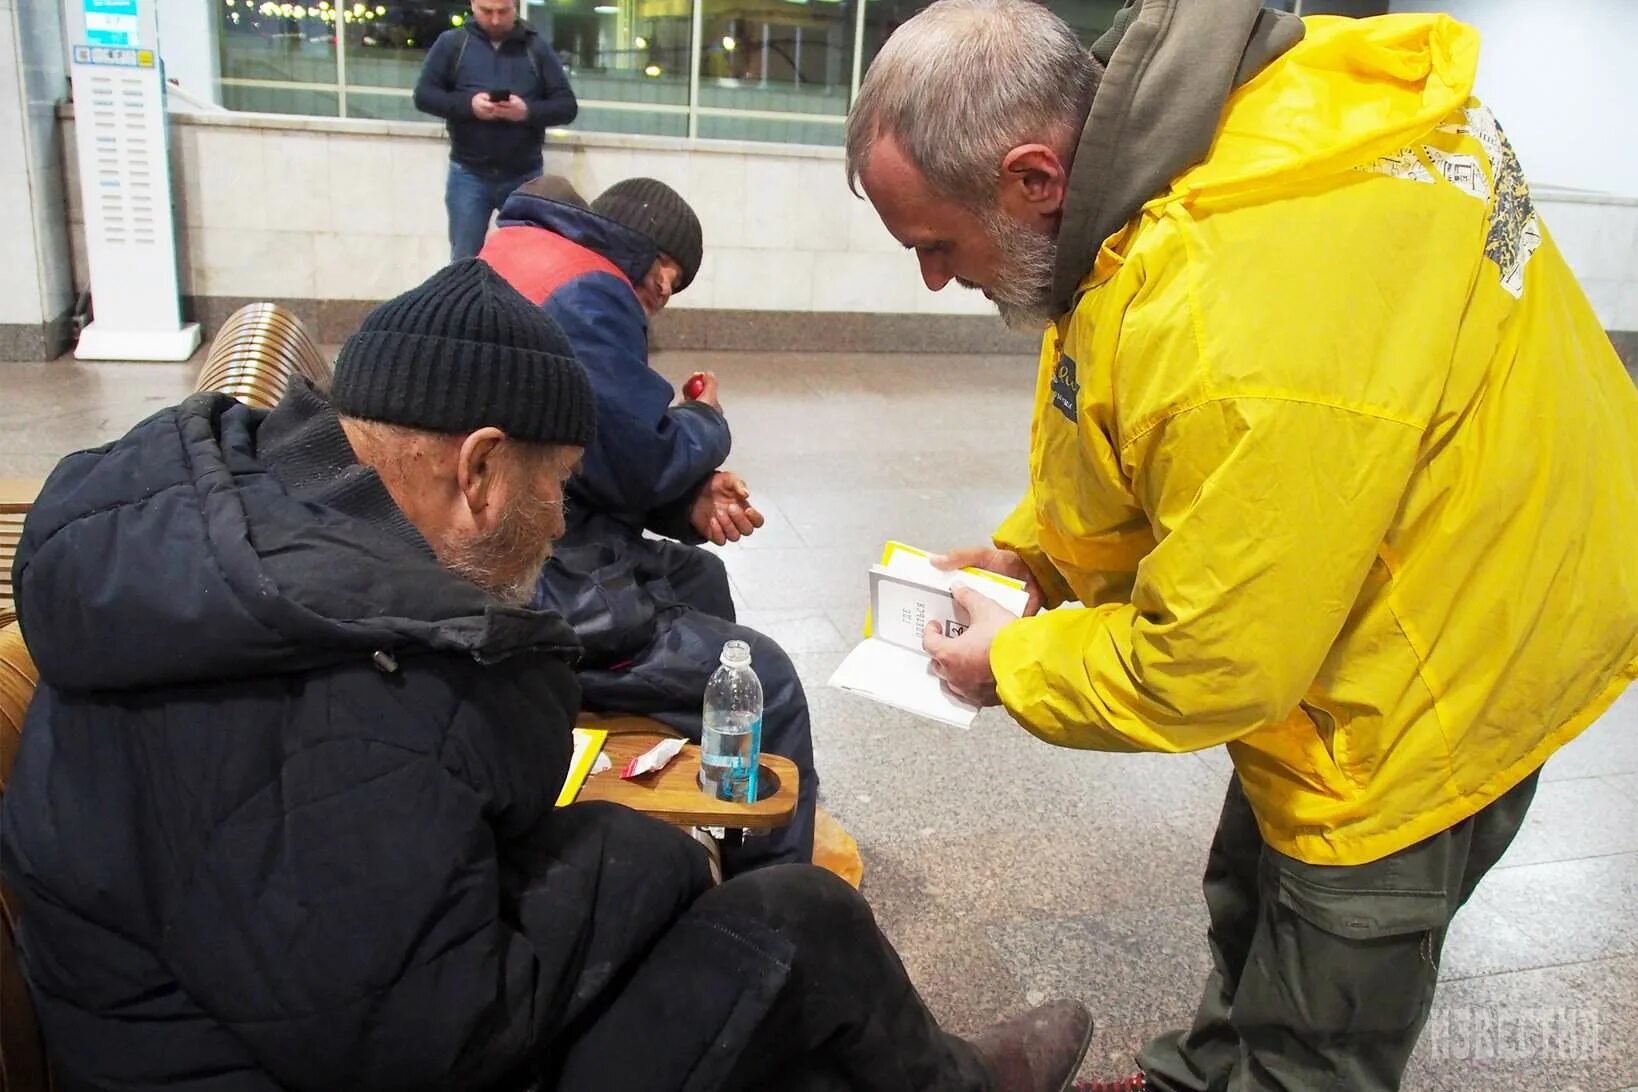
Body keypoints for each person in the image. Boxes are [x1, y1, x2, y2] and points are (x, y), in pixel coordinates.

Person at [0, 259, 1094, 1092]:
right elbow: (436, 1035)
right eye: (559, 482)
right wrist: (640, 856)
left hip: (252, 1030)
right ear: (478, 470)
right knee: (795, 922)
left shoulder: (240, 564)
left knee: (769, 983)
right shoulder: (349, 686)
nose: (563, 516)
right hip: (321, 1062)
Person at [845, 2, 1638, 1090]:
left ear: (1032, 178)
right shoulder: (1165, 162)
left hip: (1457, 647)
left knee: (1331, 972)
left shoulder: (1238, 304)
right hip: (1390, 557)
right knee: (1251, 880)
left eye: (936, 244)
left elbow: (1213, 662)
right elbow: (1136, 415)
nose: (934, 278)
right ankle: (1200, 1075)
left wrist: (1015, 664)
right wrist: (1040, 560)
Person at [480, 176, 820, 875]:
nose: (668, 287)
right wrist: (708, 423)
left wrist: (687, 501)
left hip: (529, 545)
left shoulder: (522, 252)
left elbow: (590, 457)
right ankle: (778, 900)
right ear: (638, 244)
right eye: (670, 265)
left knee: (702, 573)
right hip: (538, 590)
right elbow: (637, 459)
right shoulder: (588, 289)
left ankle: (706, 792)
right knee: (772, 681)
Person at [414, 0, 577, 261]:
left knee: (526, 262)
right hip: (468, 174)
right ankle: (466, 303)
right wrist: (469, 105)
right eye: (486, 11)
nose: (495, 20)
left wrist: (526, 112)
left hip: (525, 177)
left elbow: (567, 107)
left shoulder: (536, 49)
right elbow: (424, 96)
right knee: (464, 263)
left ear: (516, 7)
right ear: (473, 5)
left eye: (503, 12)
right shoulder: (453, 44)